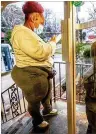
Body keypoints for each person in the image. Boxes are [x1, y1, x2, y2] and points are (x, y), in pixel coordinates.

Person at [10, 1, 58, 130]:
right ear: (33, 17)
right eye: (41, 20)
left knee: (46, 92)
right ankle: (37, 121)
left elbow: (38, 48)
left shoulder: (29, 33)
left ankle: (47, 110)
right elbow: (40, 52)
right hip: (31, 73)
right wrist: (53, 43)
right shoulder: (22, 33)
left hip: (40, 71)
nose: (42, 23)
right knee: (35, 98)